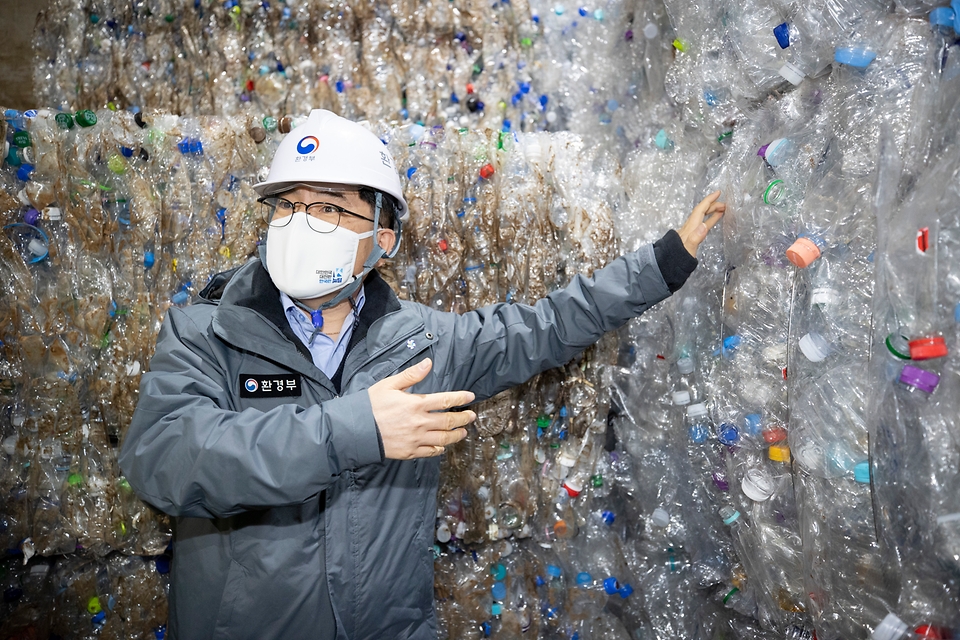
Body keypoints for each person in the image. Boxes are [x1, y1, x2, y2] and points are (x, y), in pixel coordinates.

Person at [119, 109, 724, 640]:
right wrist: (355, 430)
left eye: (329, 208)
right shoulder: (205, 333)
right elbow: (167, 459)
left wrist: (662, 264)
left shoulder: (424, 344)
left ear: (382, 238)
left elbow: (547, 325)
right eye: (288, 205)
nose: (301, 223)